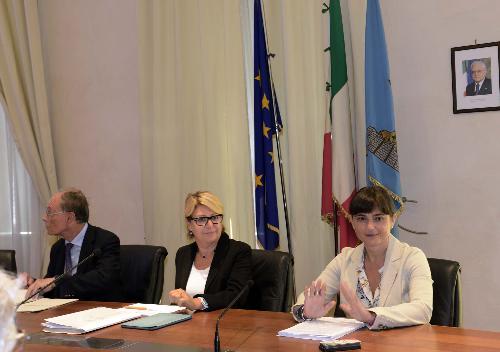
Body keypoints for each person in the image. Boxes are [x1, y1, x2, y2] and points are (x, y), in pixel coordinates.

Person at [292, 186, 433, 330]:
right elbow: (308, 297)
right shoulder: (344, 259)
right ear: (352, 222)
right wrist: (305, 312)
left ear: (393, 220)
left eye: (378, 218)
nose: (370, 226)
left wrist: (371, 316)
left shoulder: (412, 257)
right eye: (361, 218)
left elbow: (423, 309)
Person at [23, 188, 122, 301]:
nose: (44, 218)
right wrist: (33, 283)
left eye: (50, 212)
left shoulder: (105, 241)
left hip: (98, 310)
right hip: (65, 313)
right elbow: (51, 286)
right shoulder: (57, 248)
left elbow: (104, 279)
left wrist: (55, 281)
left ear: (69, 218)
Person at [169, 191, 252, 311]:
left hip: (224, 325)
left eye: (214, 217)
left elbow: (235, 296)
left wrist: (197, 303)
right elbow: (183, 299)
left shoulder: (239, 251)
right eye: (202, 219)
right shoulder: (183, 254)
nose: (210, 224)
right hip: (189, 325)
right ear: (189, 225)